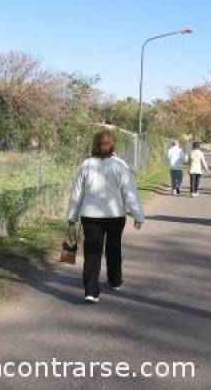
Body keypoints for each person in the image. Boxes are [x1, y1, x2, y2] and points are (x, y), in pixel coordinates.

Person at [67, 129, 144, 304]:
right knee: (114, 247)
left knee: (92, 252)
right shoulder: (120, 165)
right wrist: (138, 216)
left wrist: (72, 216)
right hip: (115, 215)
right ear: (112, 144)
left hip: (90, 215)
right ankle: (115, 280)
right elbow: (129, 192)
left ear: (94, 144)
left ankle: (91, 291)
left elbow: (76, 193)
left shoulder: (85, 165)